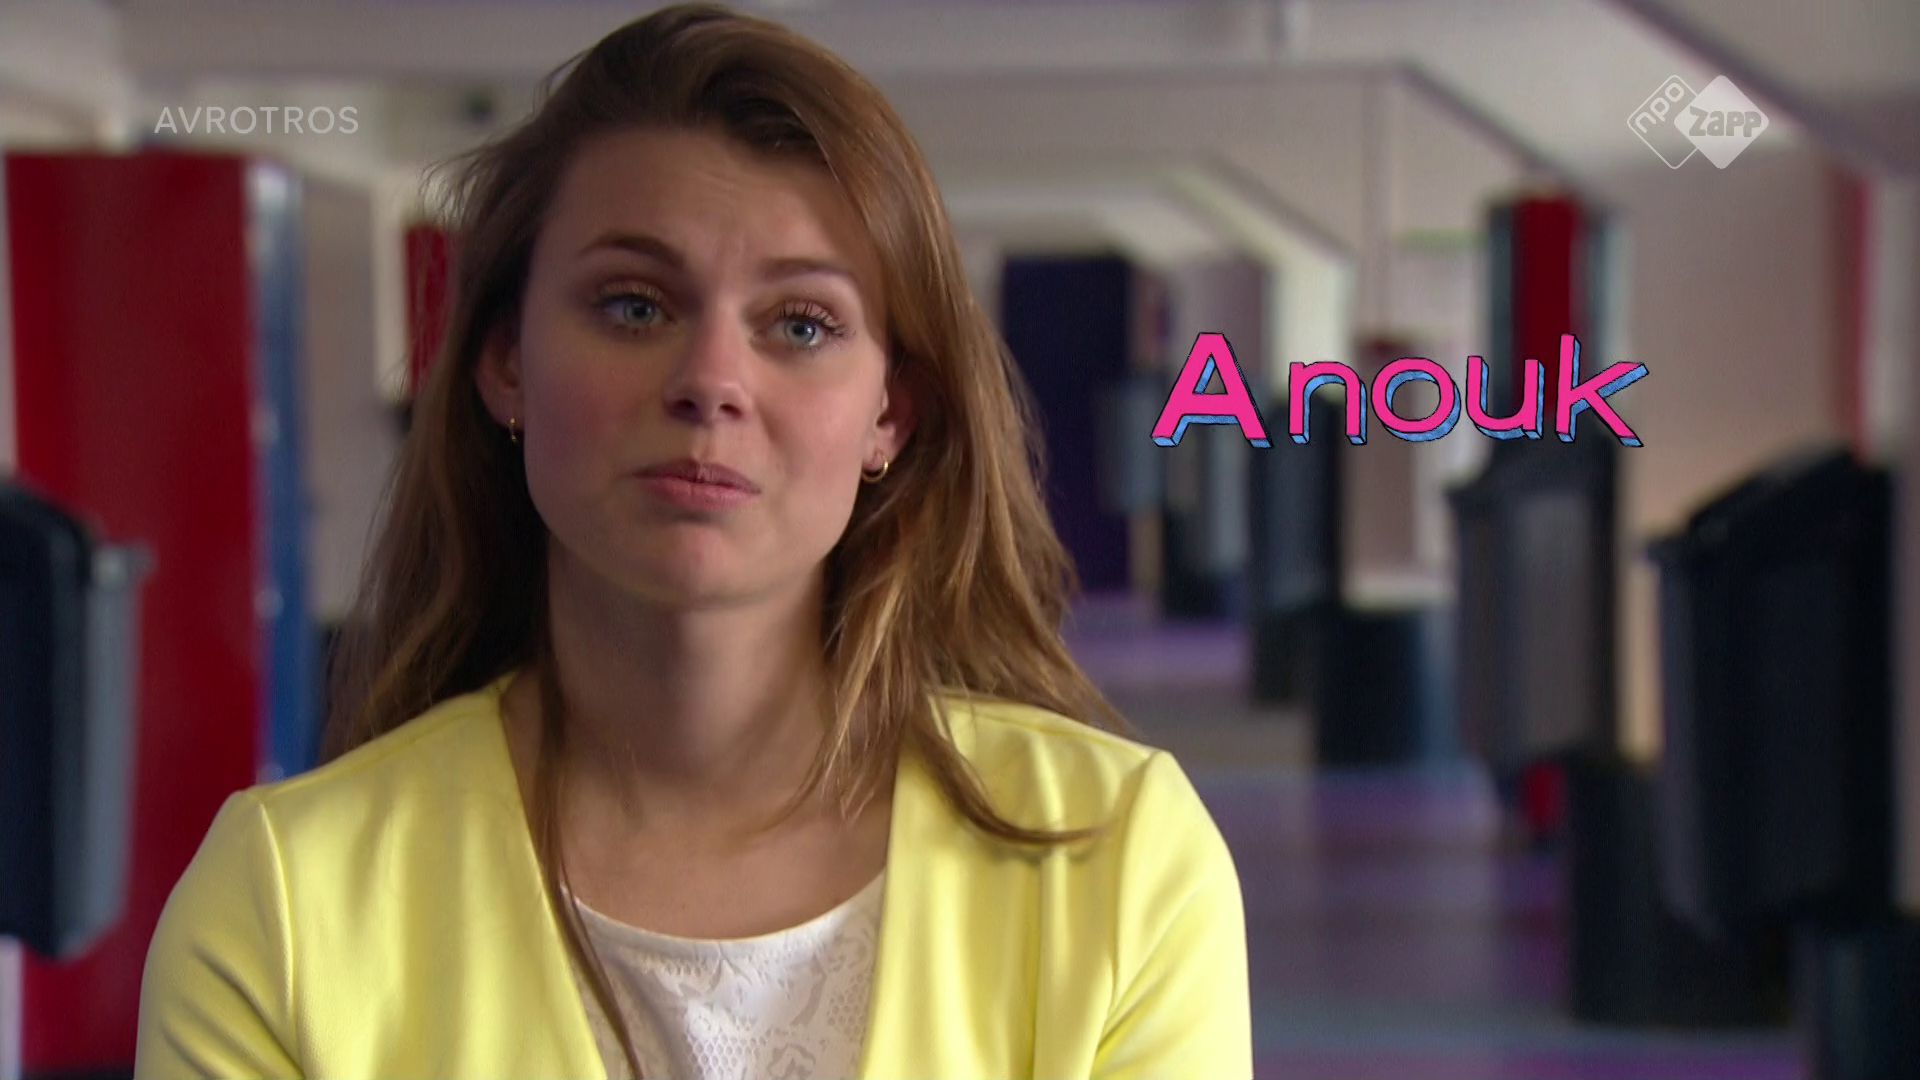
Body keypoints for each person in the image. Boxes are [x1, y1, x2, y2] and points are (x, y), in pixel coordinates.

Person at [134, 4, 1250, 1078]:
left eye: (801, 324)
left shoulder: (1116, 861)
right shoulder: (284, 907)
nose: (712, 380)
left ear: (890, 415)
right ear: (506, 362)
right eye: (634, 306)